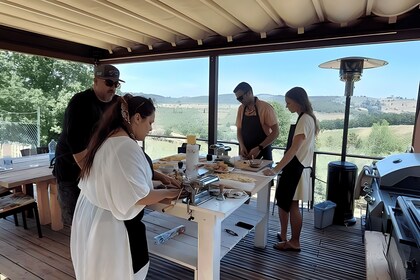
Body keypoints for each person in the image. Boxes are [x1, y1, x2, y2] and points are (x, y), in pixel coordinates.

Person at [71, 94, 181, 280]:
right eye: (150, 123)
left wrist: (161, 180)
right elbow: (137, 196)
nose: (151, 129)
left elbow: (122, 181)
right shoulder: (125, 145)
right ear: (137, 118)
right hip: (109, 224)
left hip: (90, 213)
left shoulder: (107, 139)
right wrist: (172, 192)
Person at [53, 64, 124, 225]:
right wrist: (96, 176)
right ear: (95, 81)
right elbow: (75, 143)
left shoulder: (116, 104)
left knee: (96, 223)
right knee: (77, 222)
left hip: (95, 168)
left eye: (116, 84)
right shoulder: (80, 102)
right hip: (71, 170)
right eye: (108, 83)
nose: (113, 88)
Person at [263, 86, 319, 252]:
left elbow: (294, 149)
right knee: (284, 203)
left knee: (292, 205)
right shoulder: (308, 118)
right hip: (298, 167)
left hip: (296, 168)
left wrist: (275, 170)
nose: (286, 106)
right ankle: (284, 235)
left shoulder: (304, 120)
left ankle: (294, 242)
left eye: (288, 103)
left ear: (297, 101)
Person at [233, 82, 279, 160]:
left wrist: (259, 148)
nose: (240, 101)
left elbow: (276, 132)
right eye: (238, 99)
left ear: (249, 93)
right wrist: (242, 146)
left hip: (263, 152)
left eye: (241, 98)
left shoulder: (265, 108)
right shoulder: (241, 109)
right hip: (245, 153)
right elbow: (239, 130)